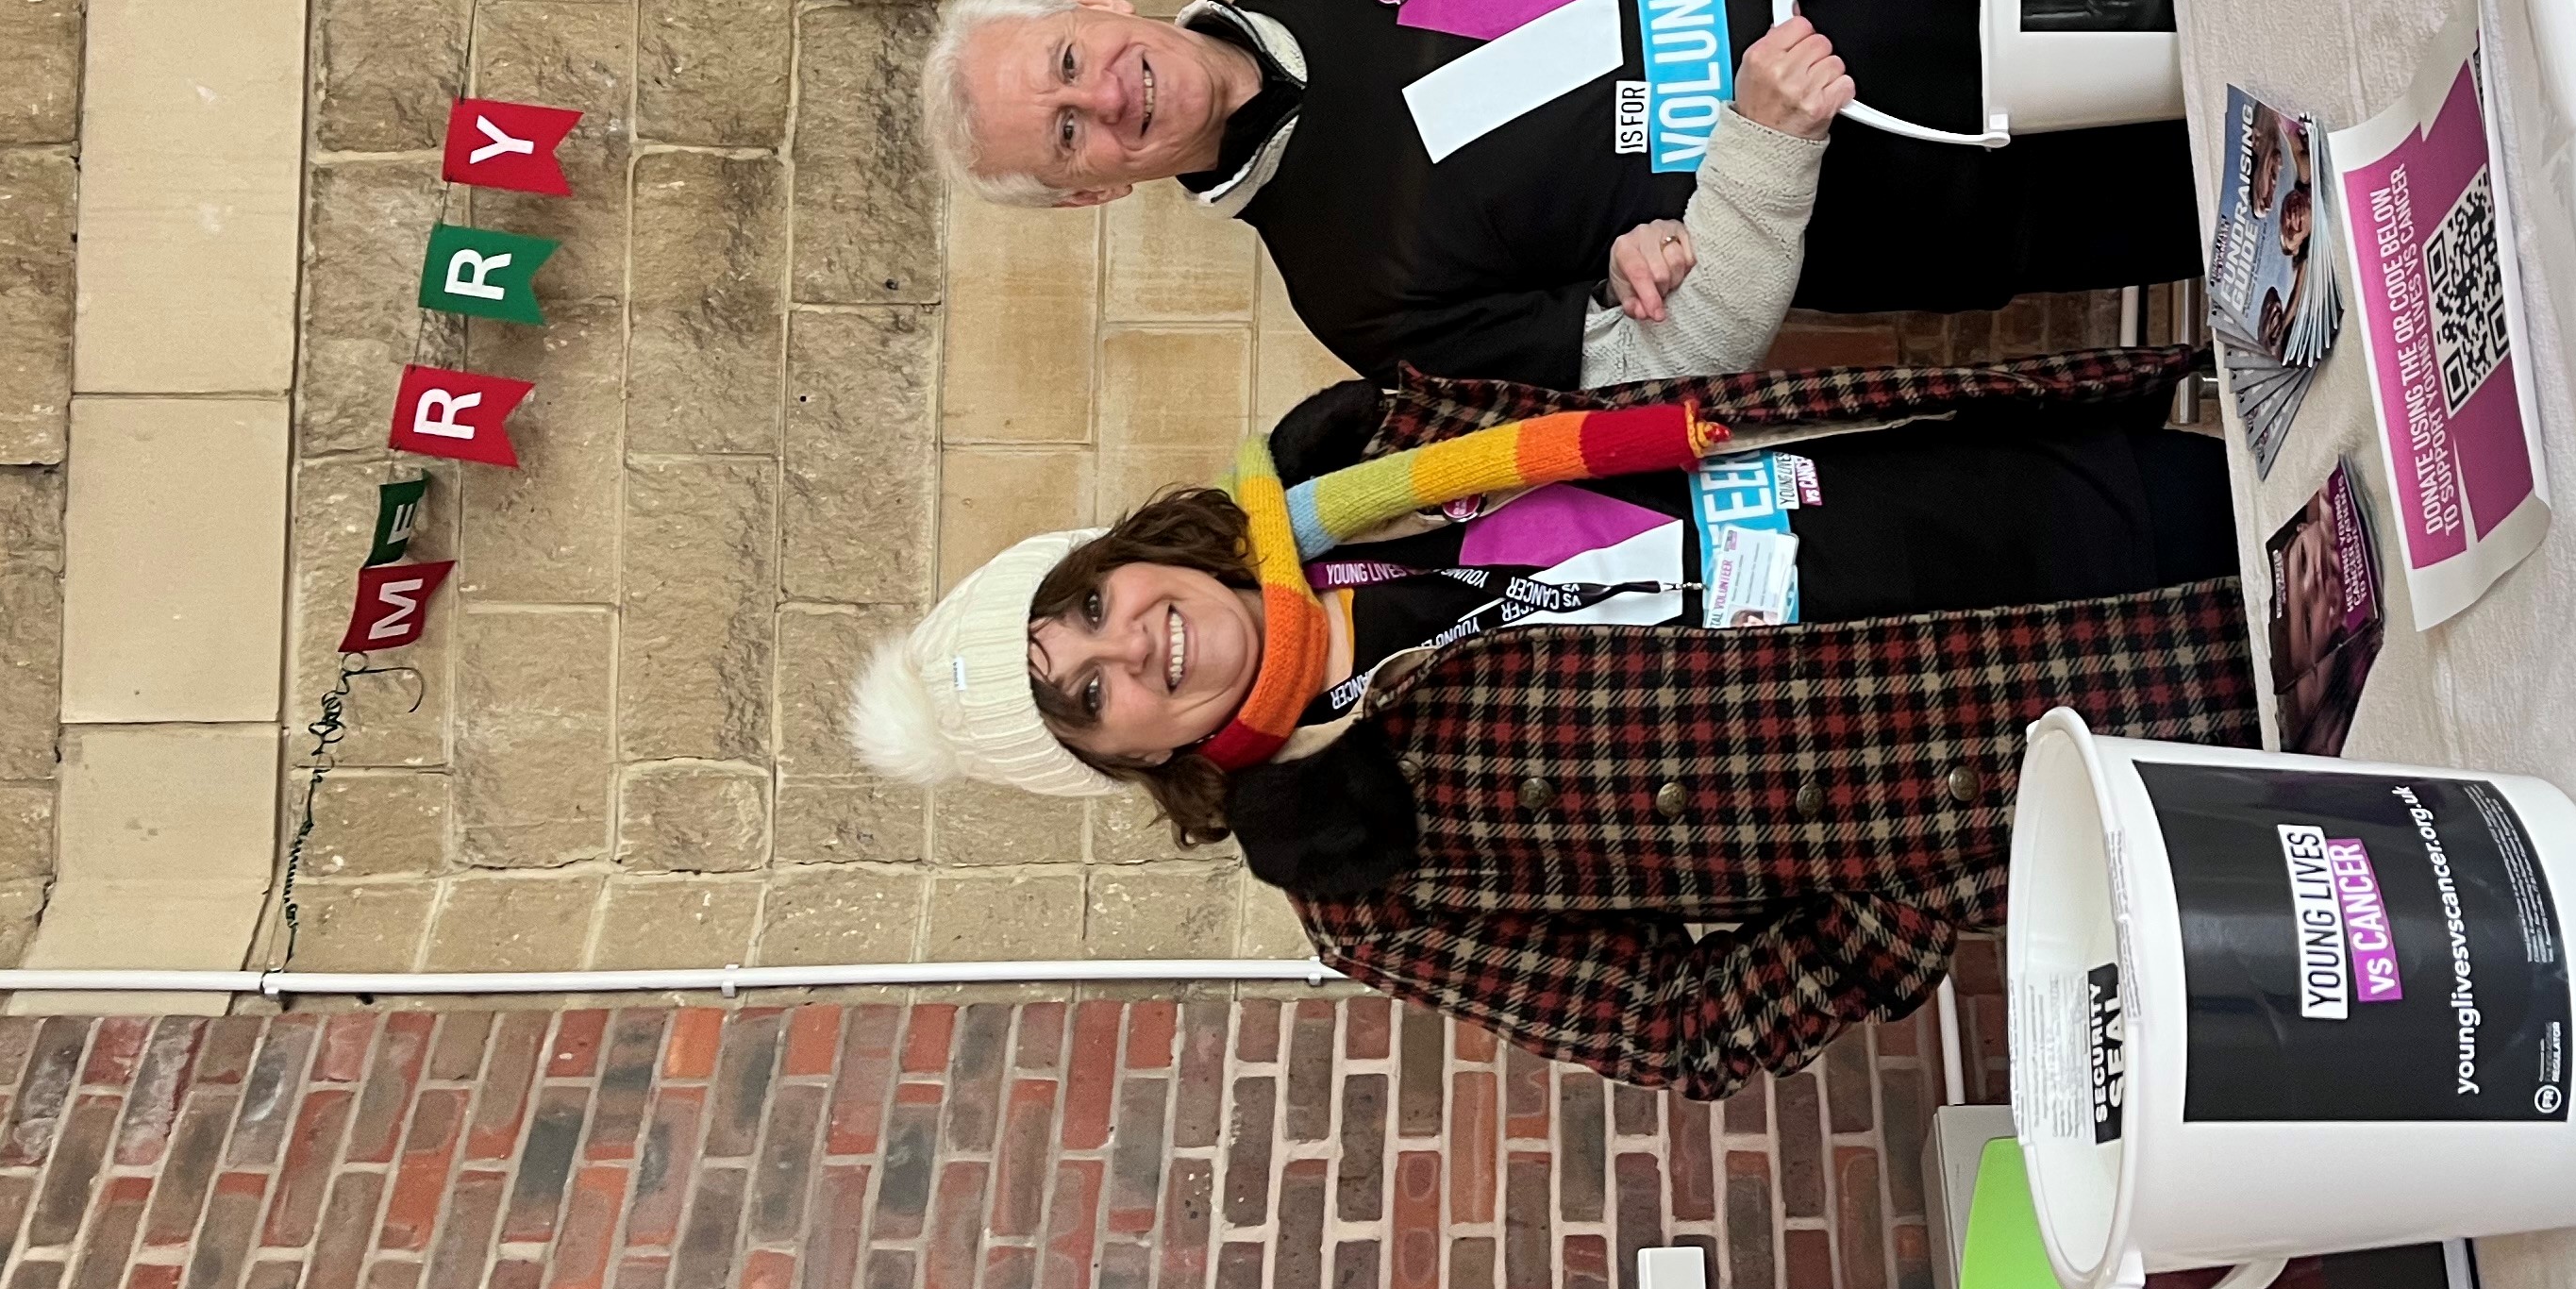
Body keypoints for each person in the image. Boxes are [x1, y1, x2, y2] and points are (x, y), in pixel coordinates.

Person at [847, 349, 2258, 1096]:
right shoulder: (1360, 882)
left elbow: (1624, 402)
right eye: (1089, 695)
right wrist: (1917, 876)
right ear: (1133, 761)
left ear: (1126, 556)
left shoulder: (1359, 459)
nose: (1129, 646)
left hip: (2033, 489)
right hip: (2038, 734)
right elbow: (1679, 1027)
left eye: (1090, 603)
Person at [916, 0, 2200, 387]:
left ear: (1095, 5)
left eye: (1070, 59)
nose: (1105, 95)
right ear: (1094, 192)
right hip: (1992, 198)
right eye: (1069, 133)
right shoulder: (1360, 301)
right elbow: (1672, 361)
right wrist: (1761, 149)